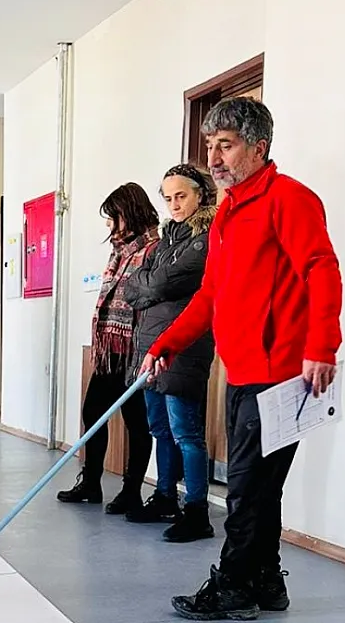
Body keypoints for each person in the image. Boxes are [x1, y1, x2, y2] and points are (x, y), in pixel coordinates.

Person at [141, 97, 342, 620]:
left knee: (247, 488)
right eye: (210, 146)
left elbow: (321, 270)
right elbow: (210, 294)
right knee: (260, 486)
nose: (215, 157)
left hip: (280, 374)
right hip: (241, 370)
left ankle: (232, 588)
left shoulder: (290, 199)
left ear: (259, 147)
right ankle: (267, 582)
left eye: (225, 145)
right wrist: (166, 344)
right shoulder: (229, 209)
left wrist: (322, 347)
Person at [123, 164, 217, 542]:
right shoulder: (166, 240)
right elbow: (133, 286)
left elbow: (159, 281)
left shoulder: (207, 237)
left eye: (182, 196)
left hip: (184, 348)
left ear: (199, 195)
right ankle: (165, 497)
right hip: (150, 346)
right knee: (160, 428)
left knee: (186, 433)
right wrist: (149, 285)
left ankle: (197, 511)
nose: (175, 204)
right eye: (168, 198)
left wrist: (150, 285)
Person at [57, 182, 159, 513]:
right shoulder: (119, 251)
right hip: (109, 349)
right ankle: (90, 483)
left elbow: (147, 299)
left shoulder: (153, 250)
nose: (108, 224)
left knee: (137, 424)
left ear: (128, 213)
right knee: (93, 413)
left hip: (134, 350)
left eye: (112, 216)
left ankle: (131, 491)